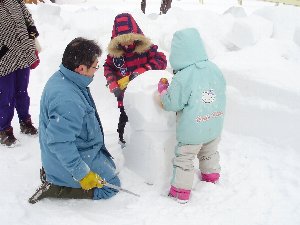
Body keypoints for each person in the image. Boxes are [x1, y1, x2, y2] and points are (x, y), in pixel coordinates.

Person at [28, 38, 120, 204]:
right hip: (64, 161)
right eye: (94, 66)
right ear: (81, 68)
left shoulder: (65, 77)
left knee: (110, 170)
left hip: (75, 149)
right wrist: (82, 173)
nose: (96, 70)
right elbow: (59, 143)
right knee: (112, 185)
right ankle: (59, 188)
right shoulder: (67, 99)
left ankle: (59, 177)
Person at [157, 28, 226, 203]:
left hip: (192, 131)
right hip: (213, 124)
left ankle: (180, 191)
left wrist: (164, 91)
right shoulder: (214, 69)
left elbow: (172, 103)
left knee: (185, 159)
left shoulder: (183, 77)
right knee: (209, 152)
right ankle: (211, 176)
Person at [103, 13, 167, 148]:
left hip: (144, 96)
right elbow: (108, 68)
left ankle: (145, 146)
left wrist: (143, 69)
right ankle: (124, 143)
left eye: (130, 38)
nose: (127, 42)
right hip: (124, 96)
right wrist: (112, 83)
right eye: (123, 39)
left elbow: (161, 60)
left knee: (144, 120)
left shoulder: (146, 49)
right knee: (125, 120)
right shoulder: (114, 55)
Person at [0, 0, 40, 147]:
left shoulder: (15, 1)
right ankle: (4, 130)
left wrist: (31, 31)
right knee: (6, 96)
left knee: (22, 92)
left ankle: (25, 121)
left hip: (22, 54)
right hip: (3, 60)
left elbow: (27, 17)